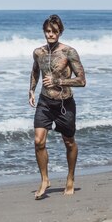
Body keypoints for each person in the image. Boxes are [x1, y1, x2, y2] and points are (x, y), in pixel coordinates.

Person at [29, 14, 86, 199]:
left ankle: (70, 178)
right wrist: (31, 90)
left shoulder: (69, 52)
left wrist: (58, 80)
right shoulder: (38, 52)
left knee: (69, 142)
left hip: (64, 103)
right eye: (47, 31)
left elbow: (82, 80)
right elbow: (35, 70)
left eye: (54, 31)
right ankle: (45, 179)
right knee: (38, 141)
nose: (50, 35)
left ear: (60, 32)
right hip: (45, 102)